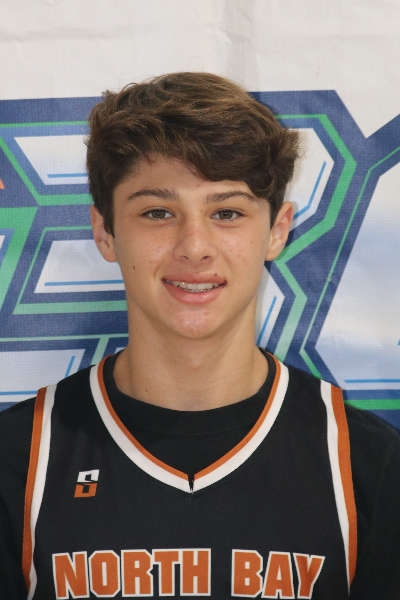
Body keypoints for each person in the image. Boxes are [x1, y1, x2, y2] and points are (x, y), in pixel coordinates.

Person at [0, 72, 399, 599]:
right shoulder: (16, 461)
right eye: (158, 212)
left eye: (227, 212)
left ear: (277, 230)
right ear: (104, 231)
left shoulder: (368, 466)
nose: (194, 246)